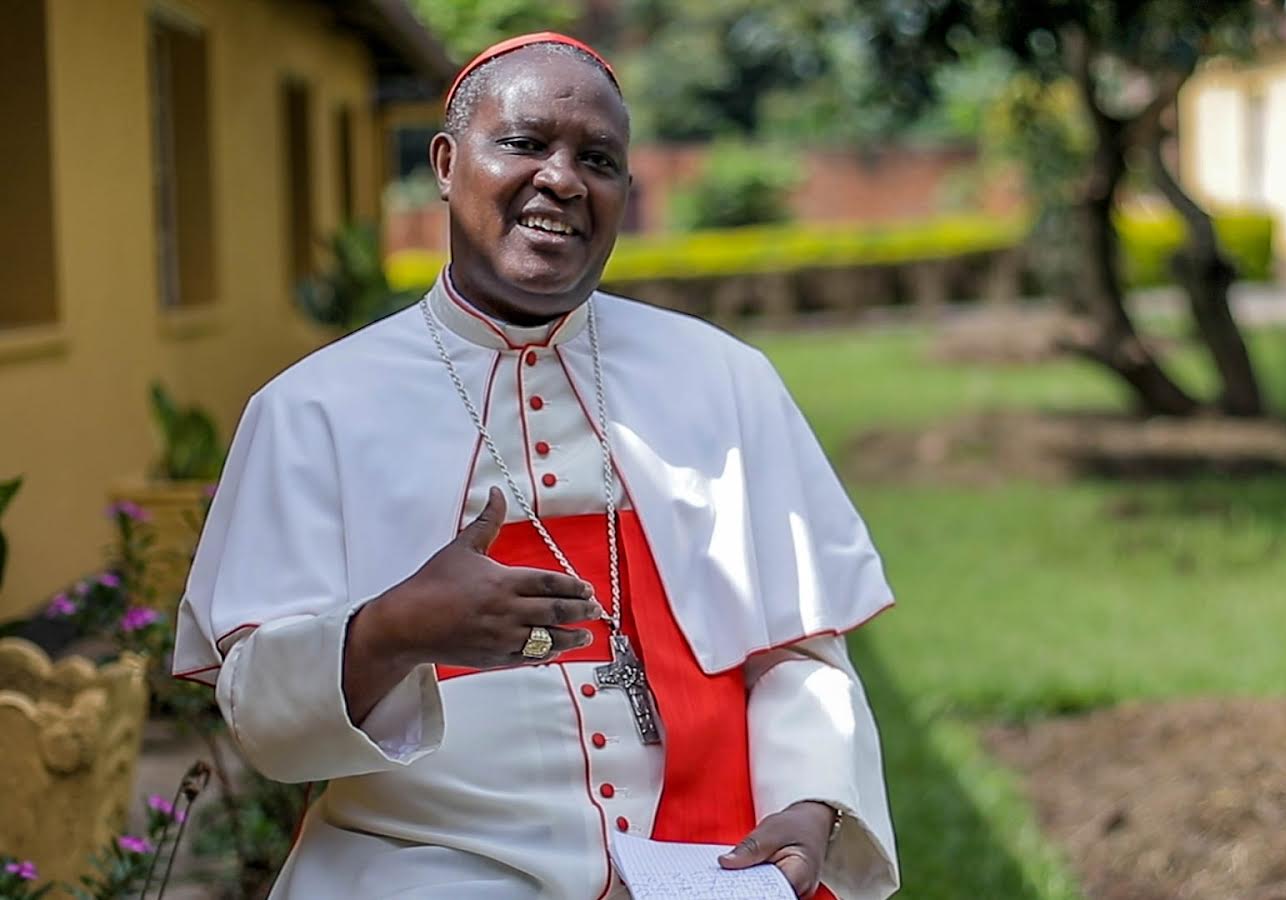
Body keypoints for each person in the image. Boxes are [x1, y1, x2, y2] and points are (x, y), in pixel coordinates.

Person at [171, 32, 898, 900]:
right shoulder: (311, 410)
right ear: (445, 162)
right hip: (419, 871)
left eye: (598, 158)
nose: (562, 178)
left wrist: (810, 802)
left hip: (699, 862)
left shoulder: (724, 378)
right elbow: (261, 720)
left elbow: (798, 647)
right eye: (523, 143)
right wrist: (392, 630)